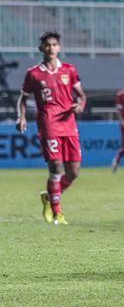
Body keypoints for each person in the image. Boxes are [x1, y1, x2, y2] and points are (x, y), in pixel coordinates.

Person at [16, 31, 87, 225]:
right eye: (47, 45)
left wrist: (79, 106)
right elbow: (24, 97)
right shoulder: (34, 73)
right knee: (56, 166)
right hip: (49, 123)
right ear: (41, 48)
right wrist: (21, 117)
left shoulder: (69, 70)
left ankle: (48, 197)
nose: (51, 48)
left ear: (59, 48)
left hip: (69, 123)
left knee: (74, 172)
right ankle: (57, 213)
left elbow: (81, 96)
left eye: (54, 45)